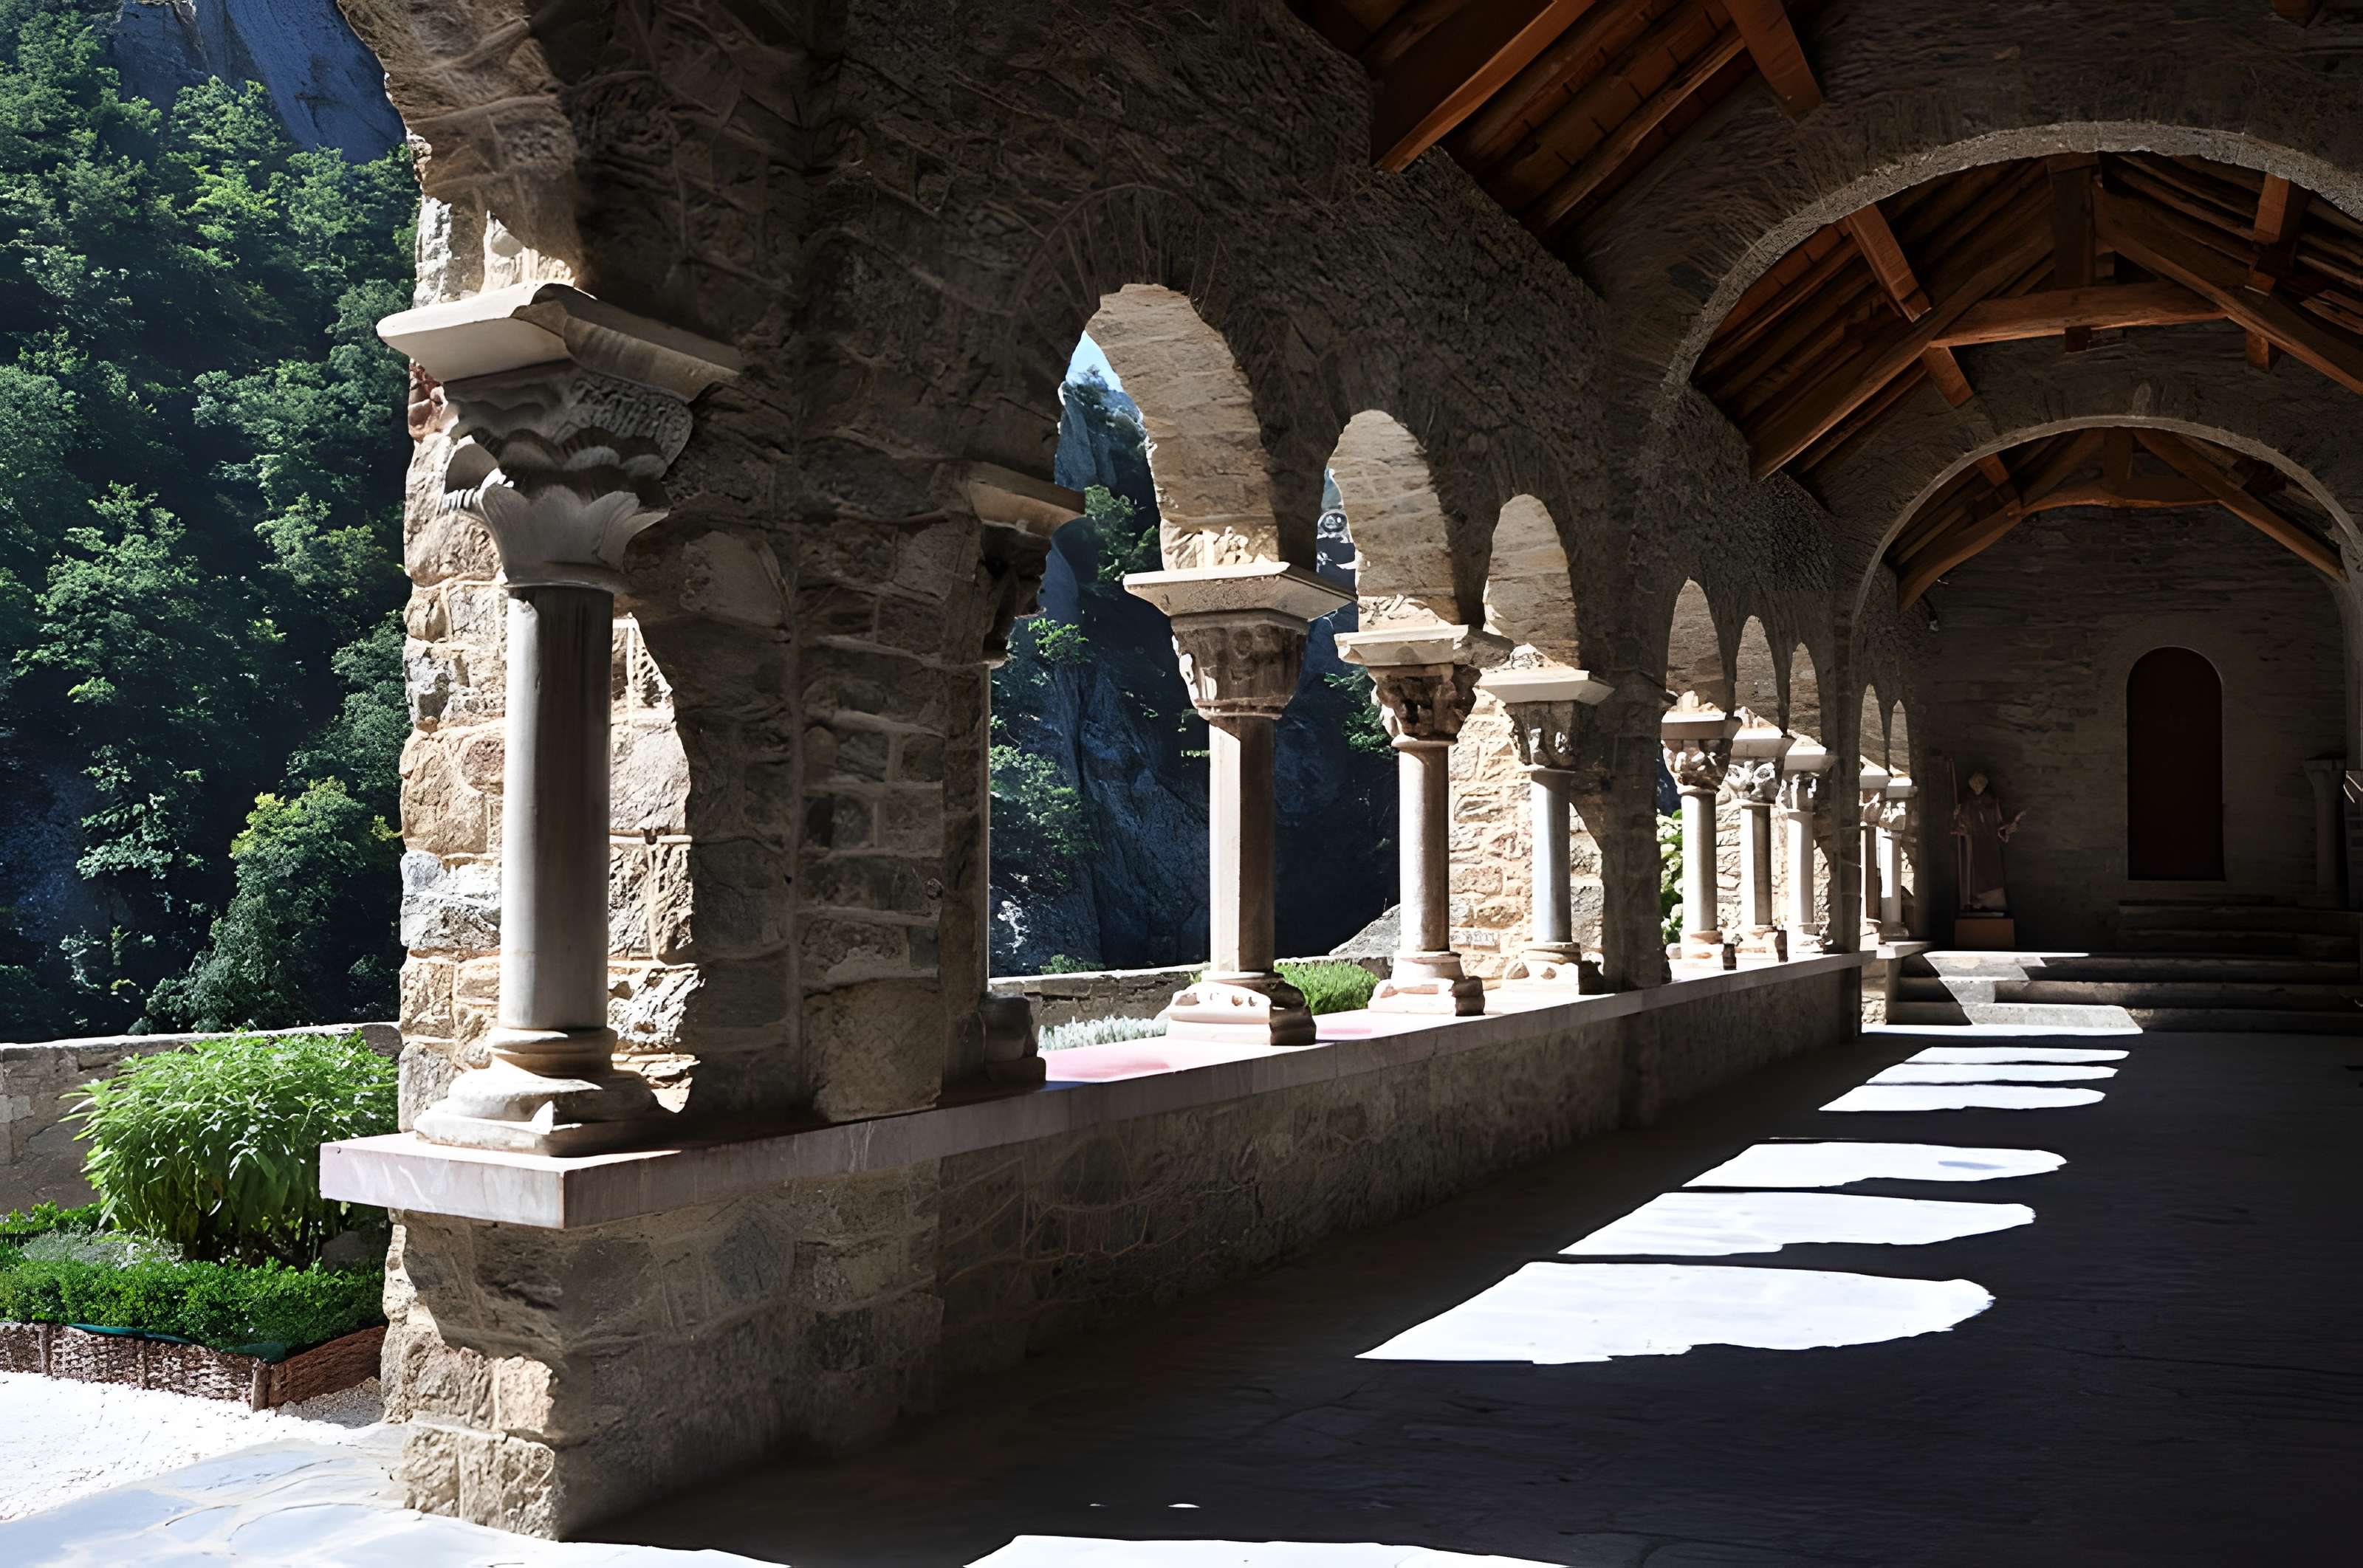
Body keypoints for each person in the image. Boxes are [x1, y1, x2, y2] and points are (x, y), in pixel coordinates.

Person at [1952, 771, 2023, 912]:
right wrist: (1961, 826)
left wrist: (2007, 829)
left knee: (1991, 872)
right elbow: (1963, 822)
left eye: (1980, 785)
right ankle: (1974, 899)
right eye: (1975, 785)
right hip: (1974, 843)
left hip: (1990, 843)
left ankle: (1993, 903)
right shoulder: (1967, 804)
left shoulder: (1991, 802)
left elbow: (1999, 823)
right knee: (1974, 871)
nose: (1978, 787)